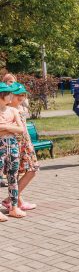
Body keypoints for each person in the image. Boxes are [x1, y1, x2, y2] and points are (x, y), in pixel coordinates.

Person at [2, 82, 38, 212]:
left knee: (32, 169)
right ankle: (14, 201)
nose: (21, 98)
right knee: (14, 174)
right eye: (18, 96)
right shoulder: (8, 110)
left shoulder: (20, 108)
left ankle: (12, 200)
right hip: (14, 144)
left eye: (23, 95)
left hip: (25, 143)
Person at [0, 82, 26, 220]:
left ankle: (14, 207)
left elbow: (21, 129)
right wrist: (11, 126)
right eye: (8, 94)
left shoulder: (13, 111)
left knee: (13, 177)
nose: (11, 96)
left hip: (13, 146)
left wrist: (4, 126)